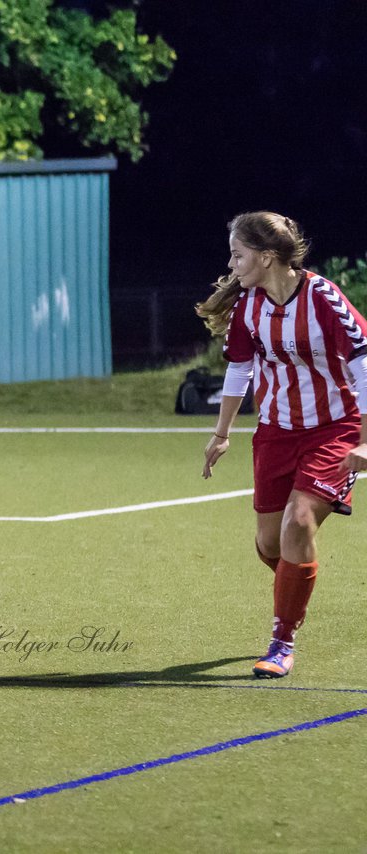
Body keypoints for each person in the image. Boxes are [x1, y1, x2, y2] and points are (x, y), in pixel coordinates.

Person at [198, 211, 367, 679]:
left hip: (335, 429)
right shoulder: (248, 305)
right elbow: (239, 368)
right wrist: (221, 432)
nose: (232, 265)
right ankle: (298, 578)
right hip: (275, 432)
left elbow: (365, 366)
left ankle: (281, 641)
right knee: (269, 542)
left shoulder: (323, 298)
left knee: (297, 523)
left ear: (267, 256)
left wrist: (366, 442)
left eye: (238, 255)